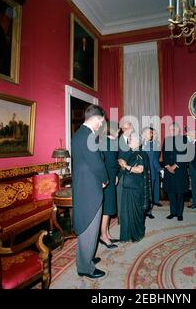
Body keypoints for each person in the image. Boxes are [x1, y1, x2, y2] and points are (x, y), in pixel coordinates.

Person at [71, 104, 108, 279]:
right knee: (89, 227)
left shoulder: (79, 134)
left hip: (84, 186)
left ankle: (86, 259)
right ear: (95, 118)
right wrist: (105, 179)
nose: (101, 125)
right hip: (90, 189)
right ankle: (86, 268)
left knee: (88, 227)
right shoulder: (89, 137)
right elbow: (97, 163)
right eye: (101, 121)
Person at [118, 133, 152, 242]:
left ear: (138, 142)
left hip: (136, 187)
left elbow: (140, 169)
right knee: (126, 213)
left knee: (136, 212)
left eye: (131, 138)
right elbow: (126, 167)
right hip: (127, 186)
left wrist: (126, 166)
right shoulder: (131, 153)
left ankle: (137, 235)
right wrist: (122, 163)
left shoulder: (141, 153)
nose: (128, 139)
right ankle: (126, 235)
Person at [99, 121, 120, 249]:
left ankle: (107, 233)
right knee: (106, 208)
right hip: (106, 179)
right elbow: (108, 163)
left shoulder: (110, 142)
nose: (119, 132)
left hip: (111, 177)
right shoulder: (106, 143)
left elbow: (112, 162)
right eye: (117, 130)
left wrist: (116, 175)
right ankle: (103, 236)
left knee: (109, 206)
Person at [162, 123, 189, 221]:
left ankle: (179, 213)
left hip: (180, 170)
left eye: (173, 129)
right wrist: (168, 166)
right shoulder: (167, 140)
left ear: (178, 129)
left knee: (180, 192)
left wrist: (175, 165)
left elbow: (185, 154)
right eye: (170, 129)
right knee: (171, 192)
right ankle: (172, 213)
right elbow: (164, 154)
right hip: (169, 170)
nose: (171, 131)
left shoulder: (184, 139)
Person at [142, 127, 162, 219]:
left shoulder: (152, 145)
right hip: (140, 172)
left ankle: (149, 211)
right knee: (141, 193)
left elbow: (154, 159)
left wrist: (159, 169)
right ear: (144, 134)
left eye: (152, 133)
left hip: (151, 172)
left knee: (150, 192)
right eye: (150, 133)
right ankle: (141, 211)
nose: (151, 135)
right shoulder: (138, 144)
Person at [117, 121, 134, 220]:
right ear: (122, 130)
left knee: (129, 195)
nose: (129, 130)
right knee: (120, 195)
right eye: (126, 128)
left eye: (130, 127)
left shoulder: (134, 139)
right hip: (121, 172)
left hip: (132, 172)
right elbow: (113, 157)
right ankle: (120, 217)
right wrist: (119, 162)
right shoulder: (117, 141)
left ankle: (129, 215)